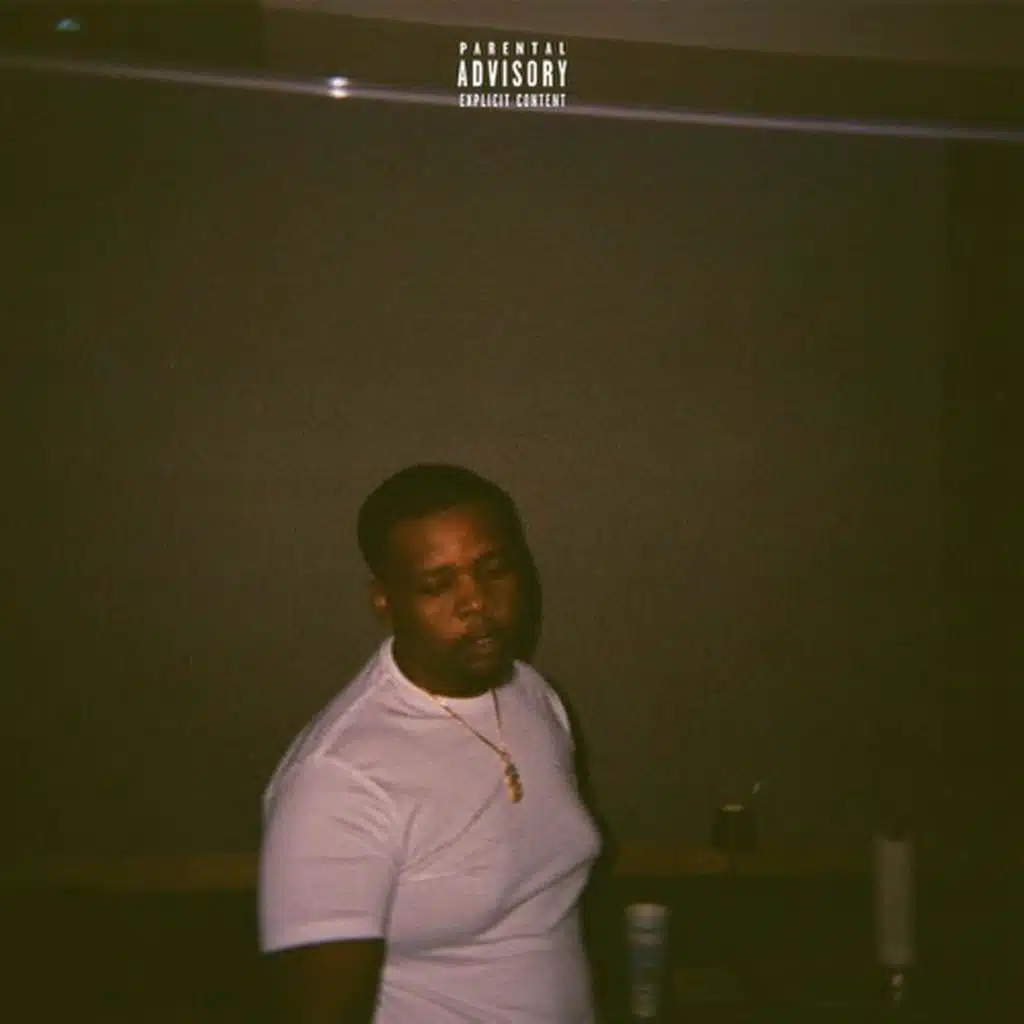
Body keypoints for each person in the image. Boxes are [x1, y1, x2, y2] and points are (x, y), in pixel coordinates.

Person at [259, 463, 604, 1023]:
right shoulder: (336, 781)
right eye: (437, 585)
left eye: (494, 570)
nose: (476, 603)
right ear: (384, 601)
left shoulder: (531, 694)